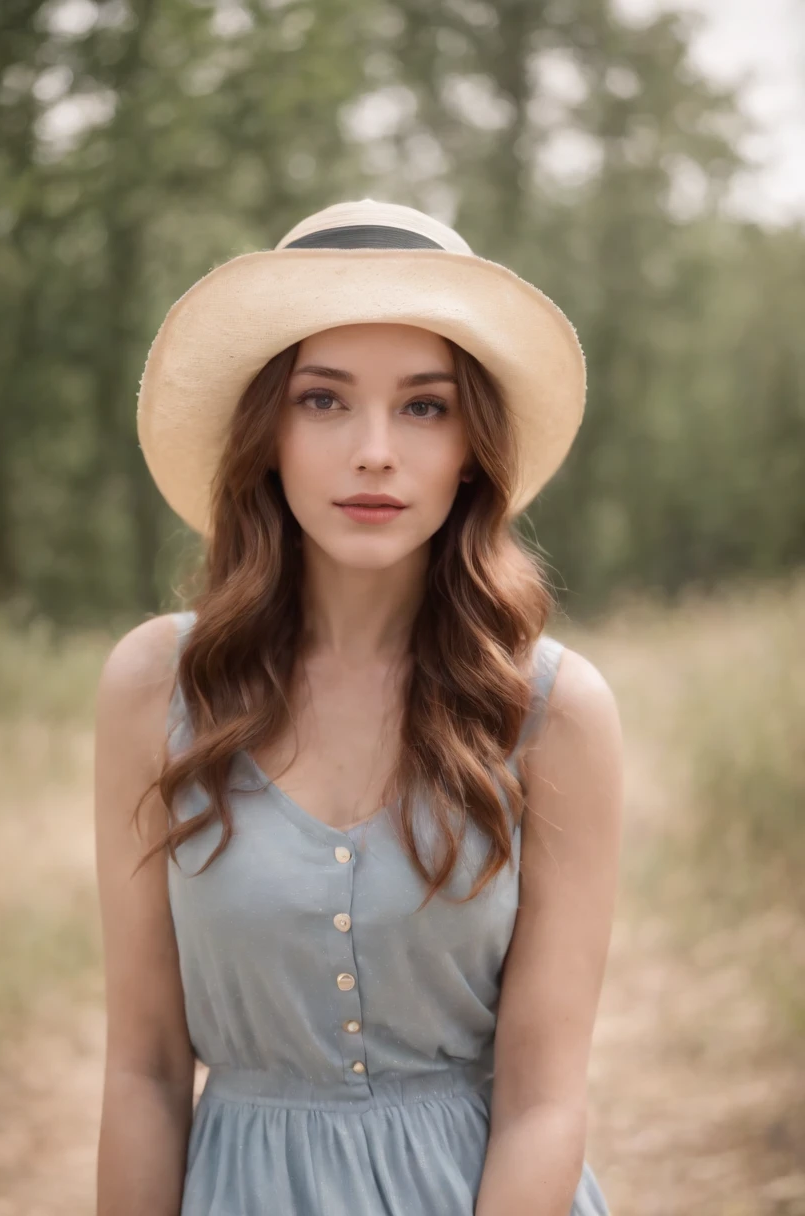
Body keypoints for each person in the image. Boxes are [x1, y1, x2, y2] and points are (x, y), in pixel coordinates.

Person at [94, 199, 623, 1216]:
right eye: (323, 401)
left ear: (471, 442)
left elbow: (544, 1103)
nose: (374, 450)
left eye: (423, 406)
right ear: (267, 433)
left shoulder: (554, 711)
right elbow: (145, 1071)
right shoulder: (154, 689)